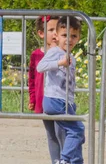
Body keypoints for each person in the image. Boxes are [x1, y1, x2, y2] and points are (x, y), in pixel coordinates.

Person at [37, 16, 85, 164]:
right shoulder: (55, 52)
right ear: (56, 36)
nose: (69, 40)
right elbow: (40, 67)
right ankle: (63, 160)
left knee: (78, 135)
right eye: (65, 35)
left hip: (65, 101)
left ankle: (74, 161)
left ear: (78, 38)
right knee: (77, 131)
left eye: (74, 36)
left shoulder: (71, 56)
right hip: (55, 100)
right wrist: (60, 63)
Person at [29, 15, 66, 164]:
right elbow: (32, 78)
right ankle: (55, 161)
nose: (54, 33)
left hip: (57, 99)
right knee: (51, 133)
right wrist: (32, 98)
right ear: (41, 34)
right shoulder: (36, 54)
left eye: (56, 29)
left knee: (61, 131)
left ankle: (66, 159)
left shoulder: (62, 52)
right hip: (43, 99)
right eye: (51, 30)